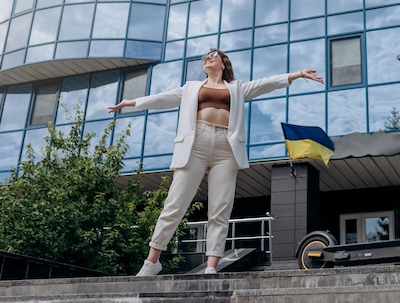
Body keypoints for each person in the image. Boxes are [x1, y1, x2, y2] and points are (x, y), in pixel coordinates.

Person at [107, 48, 323, 276]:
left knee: (220, 209)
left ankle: (211, 266)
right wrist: (131, 102)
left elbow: (265, 83)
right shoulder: (191, 88)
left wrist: (298, 74)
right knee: (174, 205)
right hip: (195, 144)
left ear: (223, 64)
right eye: (205, 57)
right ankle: (152, 262)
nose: (207, 58)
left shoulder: (237, 88)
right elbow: (163, 98)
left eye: (213, 56)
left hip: (226, 148)